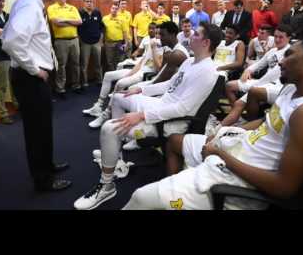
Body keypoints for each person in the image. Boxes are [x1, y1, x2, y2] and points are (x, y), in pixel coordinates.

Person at [123, 37, 303, 210]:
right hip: (237, 150)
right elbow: (266, 122)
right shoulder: (291, 89)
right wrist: (226, 132)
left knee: (141, 197)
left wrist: (221, 156)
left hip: (239, 182)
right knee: (174, 142)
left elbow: (284, 188)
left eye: (289, 54)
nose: (280, 60)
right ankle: (178, 196)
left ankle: (180, 194)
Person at [74, 22, 223, 210]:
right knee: (119, 97)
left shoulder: (208, 71)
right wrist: (141, 88)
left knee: (109, 128)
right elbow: (170, 85)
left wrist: (142, 115)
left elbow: (183, 109)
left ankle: (106, 185)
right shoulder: (190, 61)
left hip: (171, 121)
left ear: (206, 42)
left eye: (196, 34)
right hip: (161, 106)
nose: (190, 35)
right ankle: (117, 161)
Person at [1, 0, 71, 192]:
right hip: (30, 78)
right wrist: (34, 70)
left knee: (43, 127)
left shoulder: (27, 4)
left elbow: (8, 34)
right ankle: (43, 180)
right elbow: (10, 41)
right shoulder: (30, 6)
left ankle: (47, 166)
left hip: (32, 77)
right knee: (36, 131)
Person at [86, 21, 188, 129]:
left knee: (127, 92)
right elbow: (161, 73)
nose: (159, 37)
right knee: (125, 90)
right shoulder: (171, 50)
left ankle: (122, 125)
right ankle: (110, 118)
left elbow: (162, 79)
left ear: (172, 35)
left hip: (169, 92)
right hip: (163, 84)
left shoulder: (177, 54)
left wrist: (142, 88)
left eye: (162, 35)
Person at [83, 24, 163, 120]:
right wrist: (129, 74)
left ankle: (106, 113)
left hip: (145, 73)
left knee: (120, 83)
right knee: (108, 75)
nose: (157, 35)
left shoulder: (163, 48)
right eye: (156, 33)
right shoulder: (151, 43)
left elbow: (159, 68)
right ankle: (98, 106)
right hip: (139, 70)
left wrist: (154, 49)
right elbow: (141, 62)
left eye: (159, 34)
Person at [225, 24, 292, 106]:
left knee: (240, 102)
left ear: (289, 38)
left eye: (281, 37)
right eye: (275, 36)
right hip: (263, 82)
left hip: (275, 85)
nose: (277, 40)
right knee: (229, 86)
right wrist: (247, 70)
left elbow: (274, 74)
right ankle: (239, 116)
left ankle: (249, 117)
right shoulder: (273, 51)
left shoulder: (290, 52)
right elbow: (258, 64)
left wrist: (257, 84)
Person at [47, 0, 82, 95]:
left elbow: (79, 22)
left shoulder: (72, 8)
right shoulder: (51, 8)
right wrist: (72, 22)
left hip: (74, 40)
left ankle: (76, 85)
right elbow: (56, 22)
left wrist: (64, 20)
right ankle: (60, 88)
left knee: (76, 64)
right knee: (61, 65)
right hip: (61, 41)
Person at [78, 0, 104, 88]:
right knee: (84, 65)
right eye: (87, 1)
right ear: (84, 2)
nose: (89, 3)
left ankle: (99, 81)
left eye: (91, 1)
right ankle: (84, 83)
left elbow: (101, 27)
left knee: (98, 64)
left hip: (96, 42)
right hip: (85, 43)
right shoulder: (80, 12)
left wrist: (101, 41)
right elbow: (77, 28)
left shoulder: (97, 12)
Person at [103, 3, 130, 71]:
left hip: (119, 43)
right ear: (110, 9)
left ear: (118, 10)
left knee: (120, 60)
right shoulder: (105, 19)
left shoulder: (122, 19)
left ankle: (117, 76)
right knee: (110, 61)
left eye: (116, 9)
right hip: (108, 43)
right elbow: (102, 31)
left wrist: (126, 43)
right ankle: (112, 75)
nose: (114, 10)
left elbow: (125, 32)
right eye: (113, 8)